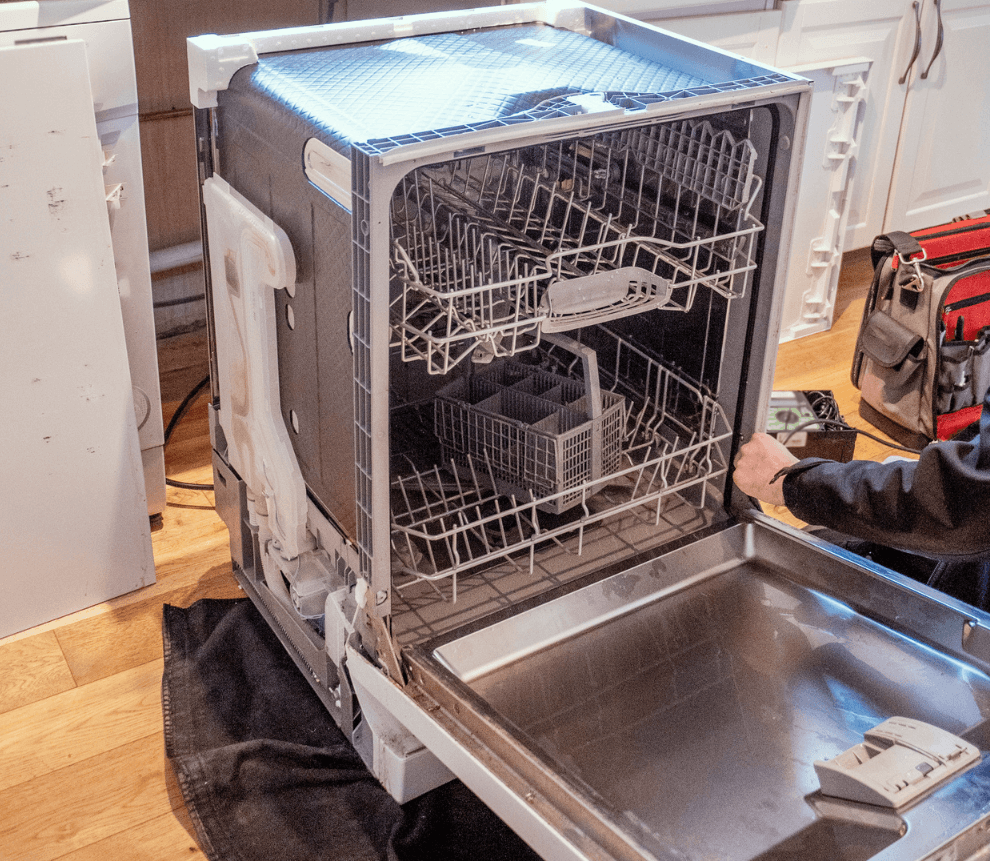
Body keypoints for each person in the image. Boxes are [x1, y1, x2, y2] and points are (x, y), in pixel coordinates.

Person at [732, 387, 990, 610]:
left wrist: (792, 481)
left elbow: (964, 501)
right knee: (817, 540)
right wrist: (942, 461)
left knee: (796, 557)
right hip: (969, 559)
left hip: (974, 603)